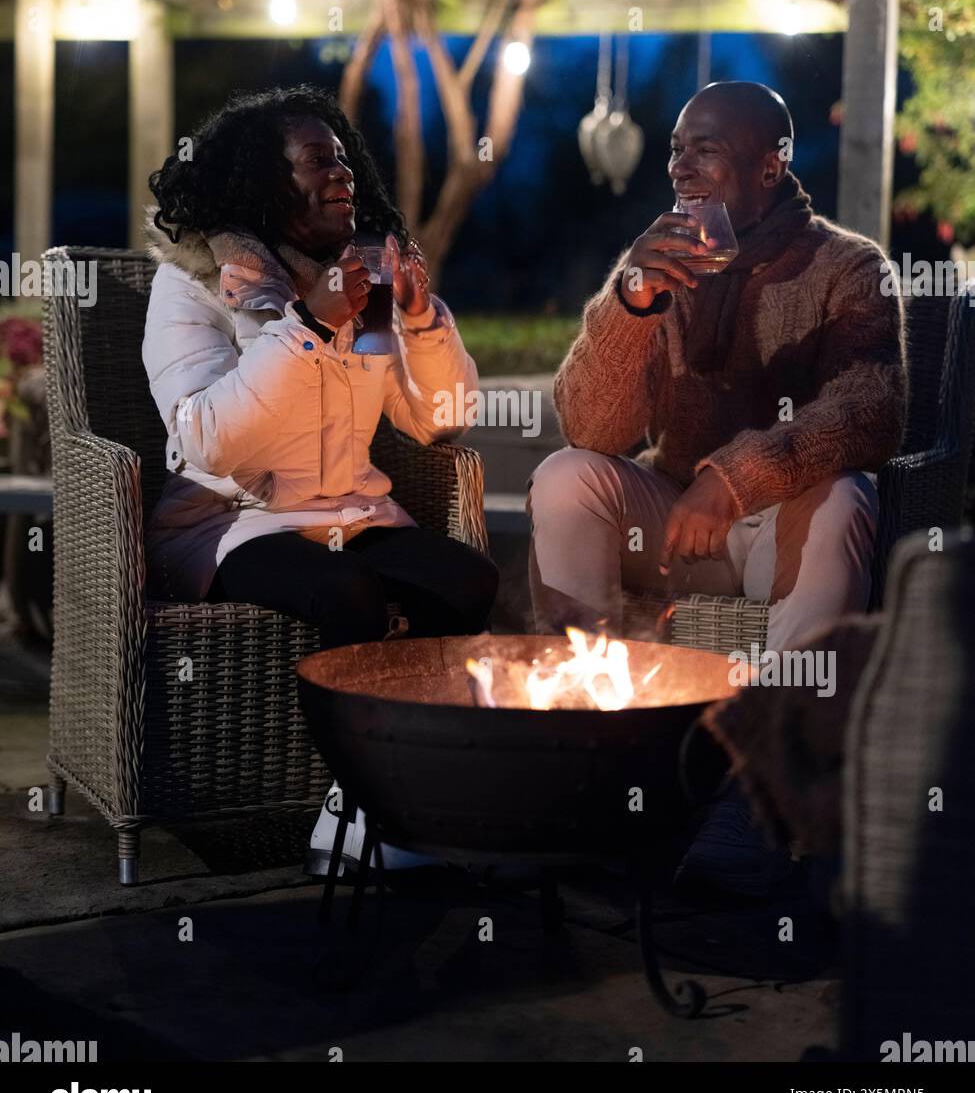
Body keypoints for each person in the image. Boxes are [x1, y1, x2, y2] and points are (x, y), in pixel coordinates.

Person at [528, 80, 907, 897]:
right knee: (565, 479)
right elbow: (589, 429)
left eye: (704, 149)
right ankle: (589, 759)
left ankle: (764, 795)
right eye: (675, 147)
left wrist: (736, 479)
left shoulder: (848, 266)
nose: (679, 166)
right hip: (676, 531)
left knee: (847, 496)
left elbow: (869, 410)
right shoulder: (661, 266)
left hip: (785, 528)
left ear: (769, 165)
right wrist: (630, 303)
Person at [142, 84, 498, 873]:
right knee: (347, 596)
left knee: (466, 579)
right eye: (314, 162)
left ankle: (424, 788)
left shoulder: (360, 280)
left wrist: (418, 316)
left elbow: (438, 419)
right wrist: (309, 325)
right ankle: (357, 803)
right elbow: (209, 440)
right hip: (228, 524)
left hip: (350, 512)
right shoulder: (197, 284)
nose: (340, 176)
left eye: (342, 160)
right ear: (260, 182)